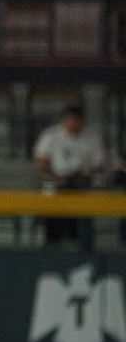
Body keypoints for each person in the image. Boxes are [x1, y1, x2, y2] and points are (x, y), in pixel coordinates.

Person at [33, 101, 107, 250]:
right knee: (55, 221)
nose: (74, 124)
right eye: (71, 119)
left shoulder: (91, 137)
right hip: (56, 186)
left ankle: (82, 248)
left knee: (81, 222)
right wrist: (55, 177)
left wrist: (85, 173)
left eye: (78, 120)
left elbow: (100, 164)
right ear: (64, 120)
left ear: (83, 121)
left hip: (81, 186)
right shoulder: (52, 135)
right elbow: (41, 161)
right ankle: (52, 247)